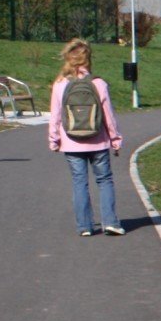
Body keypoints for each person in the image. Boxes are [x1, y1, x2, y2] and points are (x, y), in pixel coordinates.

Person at [47, 39, 125, 237]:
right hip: (98, 141)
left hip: (71, 142)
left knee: (79, 182)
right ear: (88, 59)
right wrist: (115, 139)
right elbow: (108, 115)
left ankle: (85, 226)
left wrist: (54, 139)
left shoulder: (60, 84)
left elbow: (55, 115)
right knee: (105, 180)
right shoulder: (98, 83)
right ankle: (110, 222)